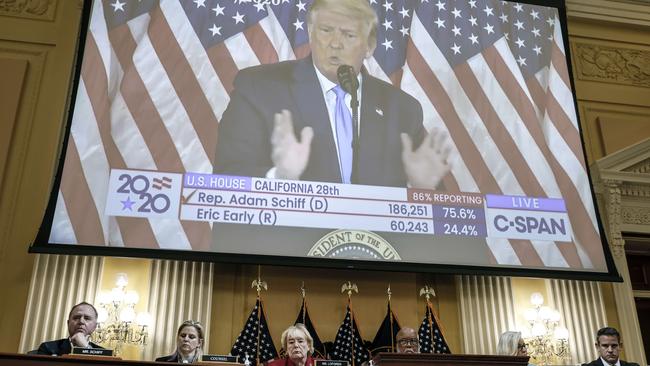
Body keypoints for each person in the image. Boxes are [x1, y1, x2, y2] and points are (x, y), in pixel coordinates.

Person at [214, 0, 451, 188]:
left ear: (369, 47)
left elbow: (438, 223)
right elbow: (226, 180)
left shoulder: (402, 110)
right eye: (326, 30)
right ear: (310, 32)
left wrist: (420, 187)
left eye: (348, 35)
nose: (335, 43)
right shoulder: (259, 89)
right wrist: (280, 177)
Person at [35, 302, 103, 355]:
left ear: (95, 326)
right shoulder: (47, 348)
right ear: (68, 323)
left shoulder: (104, 354)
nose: (81, 321)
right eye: (76, 318)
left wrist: (86, 348)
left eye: (87, 318)